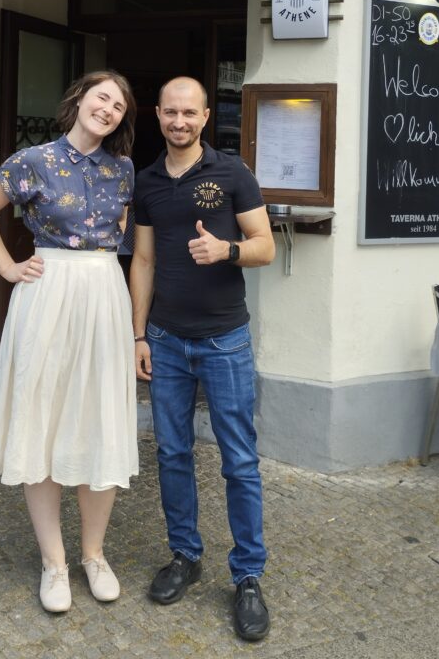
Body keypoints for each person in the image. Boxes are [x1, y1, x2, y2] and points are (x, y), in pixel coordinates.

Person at [0, 71, 138, 614]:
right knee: (42, 417)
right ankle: (54, 563)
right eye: (101, 97)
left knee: (99, 420)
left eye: (118, 106)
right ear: (79, 100)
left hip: (103, 294)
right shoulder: (33, 160)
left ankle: (93, 555)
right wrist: (7, 267)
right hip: (47, 294)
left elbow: (123, 237)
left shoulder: (124, 169)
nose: (108, 109)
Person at [130, 76, 276, 642]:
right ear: (158, 115)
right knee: (172, 453)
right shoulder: (145, 182)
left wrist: (227, 250)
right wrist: (137, 335)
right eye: (170, 112)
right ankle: (185, 557)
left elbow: (265, 244)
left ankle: (248, 577)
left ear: (206, 116)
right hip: (165, 341)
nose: (179, 122)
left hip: (224, 341)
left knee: (239, 460)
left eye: (189, 113)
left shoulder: (232, 172)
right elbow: (141, 261)